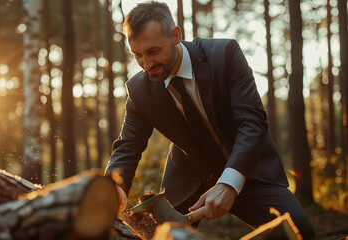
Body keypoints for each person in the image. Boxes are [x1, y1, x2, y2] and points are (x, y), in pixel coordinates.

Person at [104, 1, 314, 239]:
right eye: (137, 55)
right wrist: (113, 189)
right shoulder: (138, 90)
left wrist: (228, 183)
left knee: (300, 231)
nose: (146, 64)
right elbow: (128, 147)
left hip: (249, 170)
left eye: (153, 51)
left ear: (176, 35)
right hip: (189, 178)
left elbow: (252, 123)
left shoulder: (225, 55)